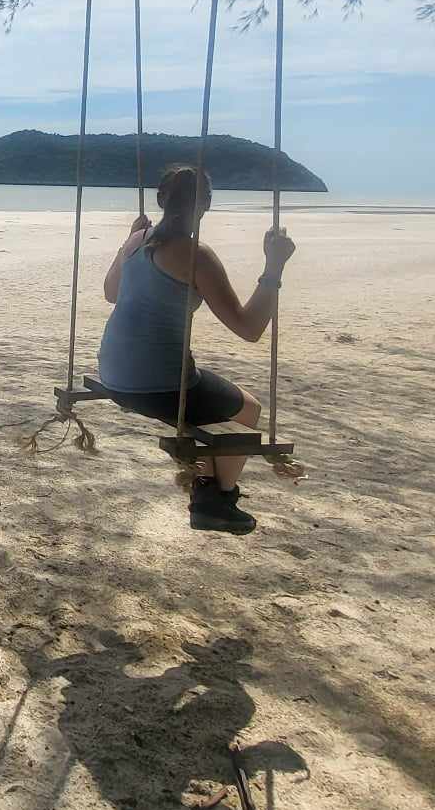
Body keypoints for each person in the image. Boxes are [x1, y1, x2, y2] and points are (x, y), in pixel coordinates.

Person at [97, 163, 296, 534]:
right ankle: (216, 500)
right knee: (247, 411)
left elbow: (111, 293)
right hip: (163, 386)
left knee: (208, 407)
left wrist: (127, 241)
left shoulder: (137, 241)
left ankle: (208, 491)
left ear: (160, 199)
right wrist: (274, 267)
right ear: (205, 204)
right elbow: (249, 328)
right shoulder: (195, 255)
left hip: (112, 374)